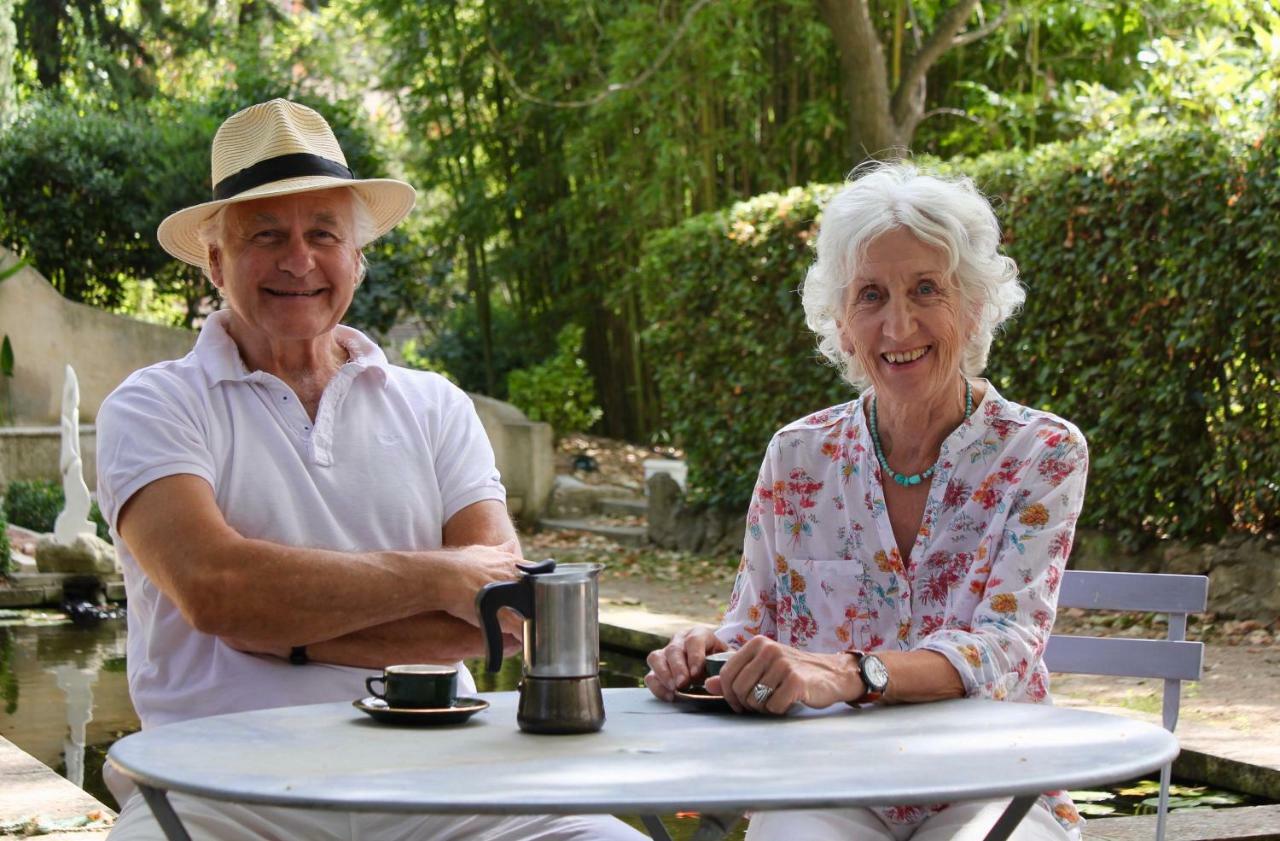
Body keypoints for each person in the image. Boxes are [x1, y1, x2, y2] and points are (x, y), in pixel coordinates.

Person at [97, 99, 645, 841]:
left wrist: (288, 634)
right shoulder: (154, 405)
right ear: (217, 260)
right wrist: (439, 579)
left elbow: (503, 617)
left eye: (323, 233)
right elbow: (220, 590)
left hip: (446, 780)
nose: (299, 259)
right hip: (222, 788)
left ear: (357, 256)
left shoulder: (436, 406)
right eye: (267, 235)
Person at [644, 162, 1089, 841]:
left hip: (989, 783)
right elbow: (752, 623)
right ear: (842, 325)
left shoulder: (1041, 452)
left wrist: (850, 673)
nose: (898, 323)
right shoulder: (798, 456)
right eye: (871, 295)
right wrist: (704, 654)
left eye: (926, 289)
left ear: (972, 308)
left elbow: (1006, 646)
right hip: (828, 781)